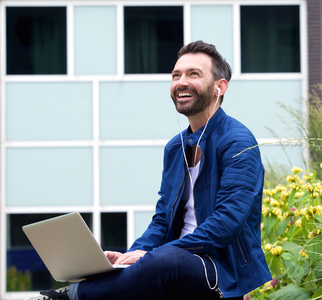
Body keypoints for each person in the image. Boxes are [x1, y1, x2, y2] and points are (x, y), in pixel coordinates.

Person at [27, 40, 271, 300]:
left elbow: (227, 223)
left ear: (219, 88)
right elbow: (163, 221)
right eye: (176, 75)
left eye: (193, 74)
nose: (181, 82)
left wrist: (151, 257)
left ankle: (69, 296)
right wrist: (129, 257)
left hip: (220, 269)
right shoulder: (175, 148)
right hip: (172, 261)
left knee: (167, 260)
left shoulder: (238, 141)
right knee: (155, 261)